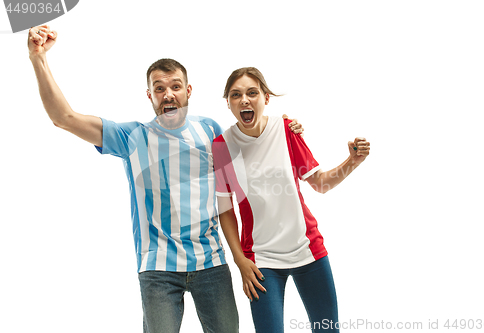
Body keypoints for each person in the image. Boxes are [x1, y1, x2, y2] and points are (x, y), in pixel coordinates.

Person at [27, 26, 303, 333]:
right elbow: (63, 118)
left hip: (210, 263)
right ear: (150, 95)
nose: (167, 93)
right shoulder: (131, 136)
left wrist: (286, 126)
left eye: (175, 86)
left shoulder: (211, 130)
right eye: (159, 88)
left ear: (188, 91)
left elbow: (235, 185)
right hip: (157, 268)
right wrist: (38, 58)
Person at [213, 67, 370, 333]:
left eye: (252, 93)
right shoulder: (222, 146)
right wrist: (240, 261)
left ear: (266, 98)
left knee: (327, 330)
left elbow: (320, 183)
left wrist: (352, 161)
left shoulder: (286, 130)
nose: (244, 100)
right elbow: (225, 210)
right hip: (260, 261)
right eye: (236, 94)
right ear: (227, 102)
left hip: (307, 250)